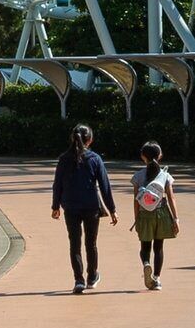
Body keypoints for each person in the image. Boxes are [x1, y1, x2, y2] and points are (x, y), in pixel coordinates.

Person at [48, 121, 116, 294]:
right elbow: (104, 185)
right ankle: (92, 276)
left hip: (70, 206)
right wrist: (112, 209)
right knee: (91, 243)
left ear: (72, 138)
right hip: (91, 206)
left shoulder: (64, 159)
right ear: (90, 140)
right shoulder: (94, 159)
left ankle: (79, 280)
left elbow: (57, 184)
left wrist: (55, 206)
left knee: (74, 243)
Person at [128, 142, 182, 291]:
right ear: (160, 156)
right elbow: (171, 198)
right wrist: (175, 219)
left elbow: (136, 200)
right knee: (159, 247)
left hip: (145, 215)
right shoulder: (165, 176)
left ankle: (146, 263)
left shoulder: (138, 176)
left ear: (142, 157)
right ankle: (157, 279)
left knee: (145, 246)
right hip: (162, 213)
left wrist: (137, 218)